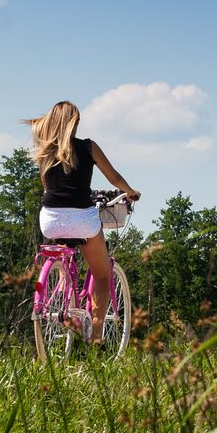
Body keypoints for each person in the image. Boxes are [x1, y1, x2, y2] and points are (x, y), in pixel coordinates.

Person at [25, 100, 140, 346]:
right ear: (75, 122)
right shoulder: (89, 148)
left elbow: (47, 186)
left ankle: (66, 293)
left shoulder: (45, 151)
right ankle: (95, 336)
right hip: (83, 219)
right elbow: (114, 177)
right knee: (101, 274)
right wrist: (129, 191)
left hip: (50, 219)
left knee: (67, 255)